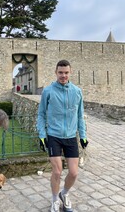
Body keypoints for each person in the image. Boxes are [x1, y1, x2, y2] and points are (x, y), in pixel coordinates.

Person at [37, 59, 88, 212]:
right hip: (54, 136)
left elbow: (80, 116)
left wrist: (83, 135)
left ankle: (64, 194)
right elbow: (41, 115)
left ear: (70, 72)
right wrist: (42, 134)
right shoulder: (48, 91)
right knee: (57, 171)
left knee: (73, 173)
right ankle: (54, 201)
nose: (63, 76)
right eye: (60, 72)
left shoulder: (77, 91)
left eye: (66, 72)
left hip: (71, 137)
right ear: (56, 72)